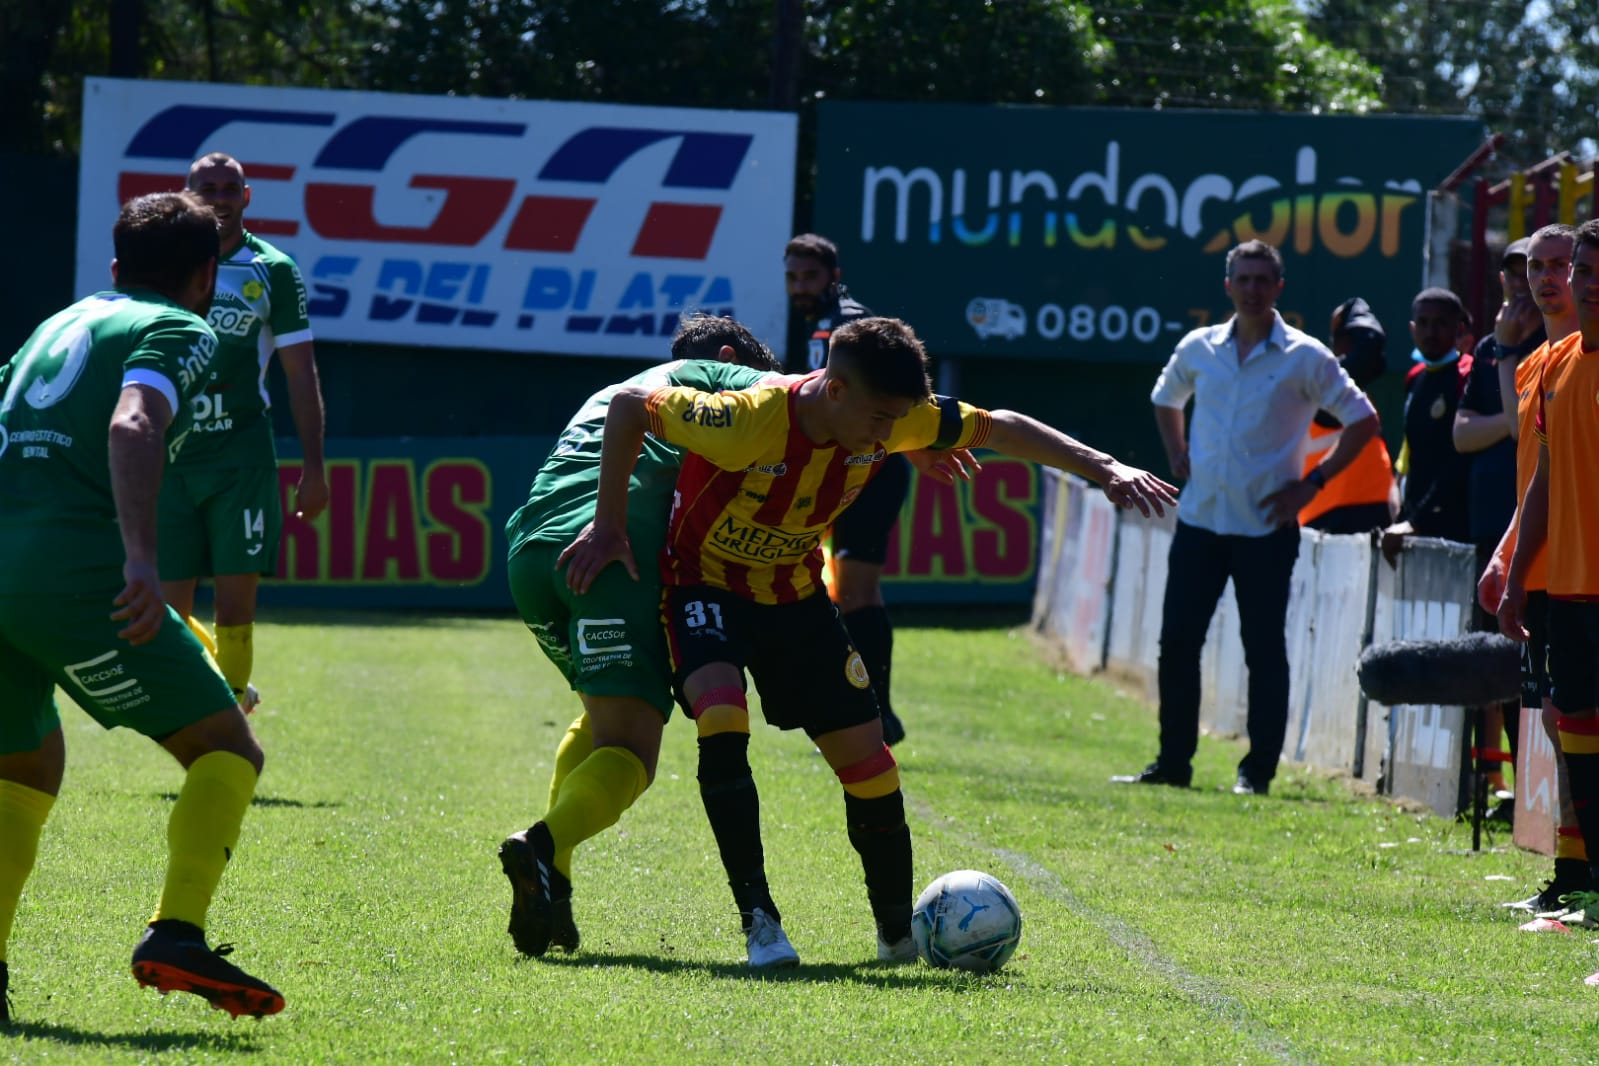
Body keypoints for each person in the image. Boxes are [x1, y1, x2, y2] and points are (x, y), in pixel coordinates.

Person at [559, 316, 1176, 967]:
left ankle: (894, 937)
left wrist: (1103, 465)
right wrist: (608, 525)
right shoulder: (746, 418)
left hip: (794, 596)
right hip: (703, 586)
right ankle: (760, 924)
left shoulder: (890, 416)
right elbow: (629, 406)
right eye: (879, 419)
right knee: (720, 714)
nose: (887, 436)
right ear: (834, 389)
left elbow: (997, 425)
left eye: (896, 422)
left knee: (871, 763)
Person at [0, 192, 283, 1022]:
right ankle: (177, 933)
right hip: (74, 570)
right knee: (227, 746)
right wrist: (141, 557)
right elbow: (134, 426)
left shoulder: (60, 323)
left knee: (22, 764)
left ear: (115, 267)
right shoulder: (180, 328)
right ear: (208, 276)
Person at [496, 315, 785, 958]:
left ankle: (556, 886)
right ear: (734, 359)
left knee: (603, 719)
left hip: (530, 557)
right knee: (632, 748)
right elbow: (809, 397)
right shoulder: (714, 378)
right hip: (605, 558)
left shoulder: (616, 388)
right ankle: (540, 846)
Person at [1117, 240, 1380, 795]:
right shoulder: (1200, 347)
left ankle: (1256, 773)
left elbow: (1363, 419)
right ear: (1228, 285)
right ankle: (1173, 763)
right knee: (1178, 645)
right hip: (1201, 519)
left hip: (1266, 529)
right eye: (1244, 278)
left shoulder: (1305, 356)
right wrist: (1176, 452)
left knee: (1264, 651)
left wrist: (1311, 485)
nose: (1253, 289)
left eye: (1264, 279)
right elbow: (1165, 397)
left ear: (1279, 288)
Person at [158, 152, 328, 713]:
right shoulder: (160, 262)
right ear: (186, 193)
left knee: (236, 610)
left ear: (247, 197)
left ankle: (223, 738)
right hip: (170, 459)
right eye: (207, 187)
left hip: (240, 460)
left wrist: (314, 468)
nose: (219, 197)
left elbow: (300, 374)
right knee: (166, 613)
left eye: (230, 188)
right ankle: (221, 698)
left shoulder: (272, 269)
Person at [1486, 223, 1593, 921]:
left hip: (1575, 572)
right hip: (1556, 577)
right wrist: (1510, 561)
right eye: (1547, 266)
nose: (1557, 278)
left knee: (1573, 725)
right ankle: (1573, 871)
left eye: (1568, 265)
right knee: (1564, 726)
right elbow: (1537, 480)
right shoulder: (1541, 365)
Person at [783, 234, 910, 746]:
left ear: (833, 276)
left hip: (870, 469)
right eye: (791, 277)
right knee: (845, 590)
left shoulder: (846, 328)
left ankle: (876, 714)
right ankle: (870, 711)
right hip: (846, 469)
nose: (798, 287)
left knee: (854, 590)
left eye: (809, 276)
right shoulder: (820, 323)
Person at [1456, 239, 1546, 808]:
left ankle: (1534, 794)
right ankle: (1497, 785)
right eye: (1516, 271)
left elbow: (1520, 429)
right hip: (1488, 527)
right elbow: (1462, 433)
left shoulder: (1536, 344)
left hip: (1532, 531)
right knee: (1491, 666)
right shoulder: (1494, 346)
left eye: (1534, 271)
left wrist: (1511, 350)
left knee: (1531, 672)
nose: (1522, 284)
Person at [1381, 287, 1474, 560]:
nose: (1430, 331)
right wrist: (1404, 515)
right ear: (1412, 328)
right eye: (1423, 322)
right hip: (1412, 526)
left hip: (1451, 530)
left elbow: (1458, 459)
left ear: (1458, 329)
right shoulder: (1415, 378)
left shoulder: (1467, 376)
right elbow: (1412, 453)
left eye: (1440, 323)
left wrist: (1419, 519)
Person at [1299, 297, 1397, 534]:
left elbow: (1374, 360)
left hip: (1368, 514)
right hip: (1331, 520)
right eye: (1346, 338)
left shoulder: (1351, 390)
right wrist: (1355, 310)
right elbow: (1370, 346)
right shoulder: (1324, 388)